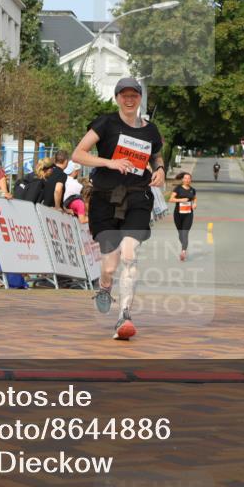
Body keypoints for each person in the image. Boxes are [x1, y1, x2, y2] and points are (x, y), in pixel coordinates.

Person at [72, 77, 165, 341]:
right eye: (124, 95)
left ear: (139, 99)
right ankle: (104, 287)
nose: (129, 99)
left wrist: (159, 170)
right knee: (110, 267)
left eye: (133, 95)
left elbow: (156, 155)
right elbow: (78, 154)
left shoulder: (150, 130)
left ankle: (125, 314)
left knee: (129, 253)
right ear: (117, 98)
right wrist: (109, 163)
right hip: (105, 197)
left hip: (137, 197)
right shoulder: (106, 122)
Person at [169, 172, 197, 262]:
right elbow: (171, 199)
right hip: (178, 214)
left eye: (189, 178)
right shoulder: (178, 189)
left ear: (190, 180)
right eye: (185, 178)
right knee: (181, 234)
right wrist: (181, 200)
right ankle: (184, 246)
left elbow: (194, 198)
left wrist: (195, 204)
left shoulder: (192, 190)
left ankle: (183, 251)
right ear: (182, 179)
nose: (187, 180)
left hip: (188, 214)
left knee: (185, 233)